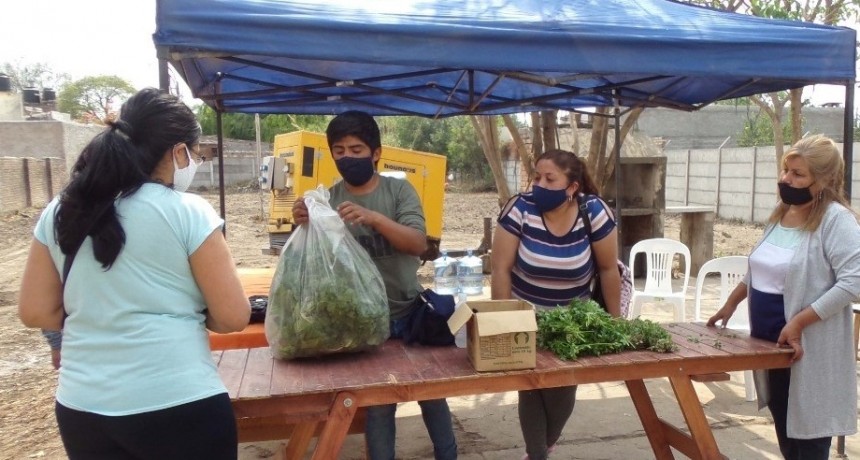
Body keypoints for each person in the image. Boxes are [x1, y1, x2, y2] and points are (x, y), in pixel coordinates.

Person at [18, 88, 251, 460]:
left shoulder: (61, 210)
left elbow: (34, 311)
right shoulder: (188, 211)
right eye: (193, 152)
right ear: (178, 152)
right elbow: (233, 316)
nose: (193, 161)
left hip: (84, 409)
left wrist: (99, 310)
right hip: (177, 402)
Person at [292, 110, 457, 460]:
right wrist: (303, 223)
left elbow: (418, 244)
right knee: (379, 403)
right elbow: (311, 263)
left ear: (376, 153)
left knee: (432, 394)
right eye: (339, 150)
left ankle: (448, 455)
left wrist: (375, 218)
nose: (347, 157)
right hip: (362, 324)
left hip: (408, 313)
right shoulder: (327, 201)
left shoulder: (399, 191)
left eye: (356, 149)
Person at [707, 134, 860, 460]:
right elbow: (761, 269)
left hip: (807, 350)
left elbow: (853, 282)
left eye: (797, 174)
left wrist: (799, 322)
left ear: (824, 180)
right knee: (787, 433)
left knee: (808, 440)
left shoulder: (836, 221)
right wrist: (731, 302)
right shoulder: (782, 214)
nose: (785, 179)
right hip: (769, 346)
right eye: (786, 170)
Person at [491, 149, 622, 460]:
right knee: (531, 386)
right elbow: (500, 268)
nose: (539, 184)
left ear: (572, 187)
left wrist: (616, 324)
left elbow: (607, 269)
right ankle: (536, 454)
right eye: (537, 177)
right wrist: (503, 322)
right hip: (526, 319)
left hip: (573, 324)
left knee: (562, 391)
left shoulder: (594, 212)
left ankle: (544, 446)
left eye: (550, 179)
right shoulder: (520, 208)